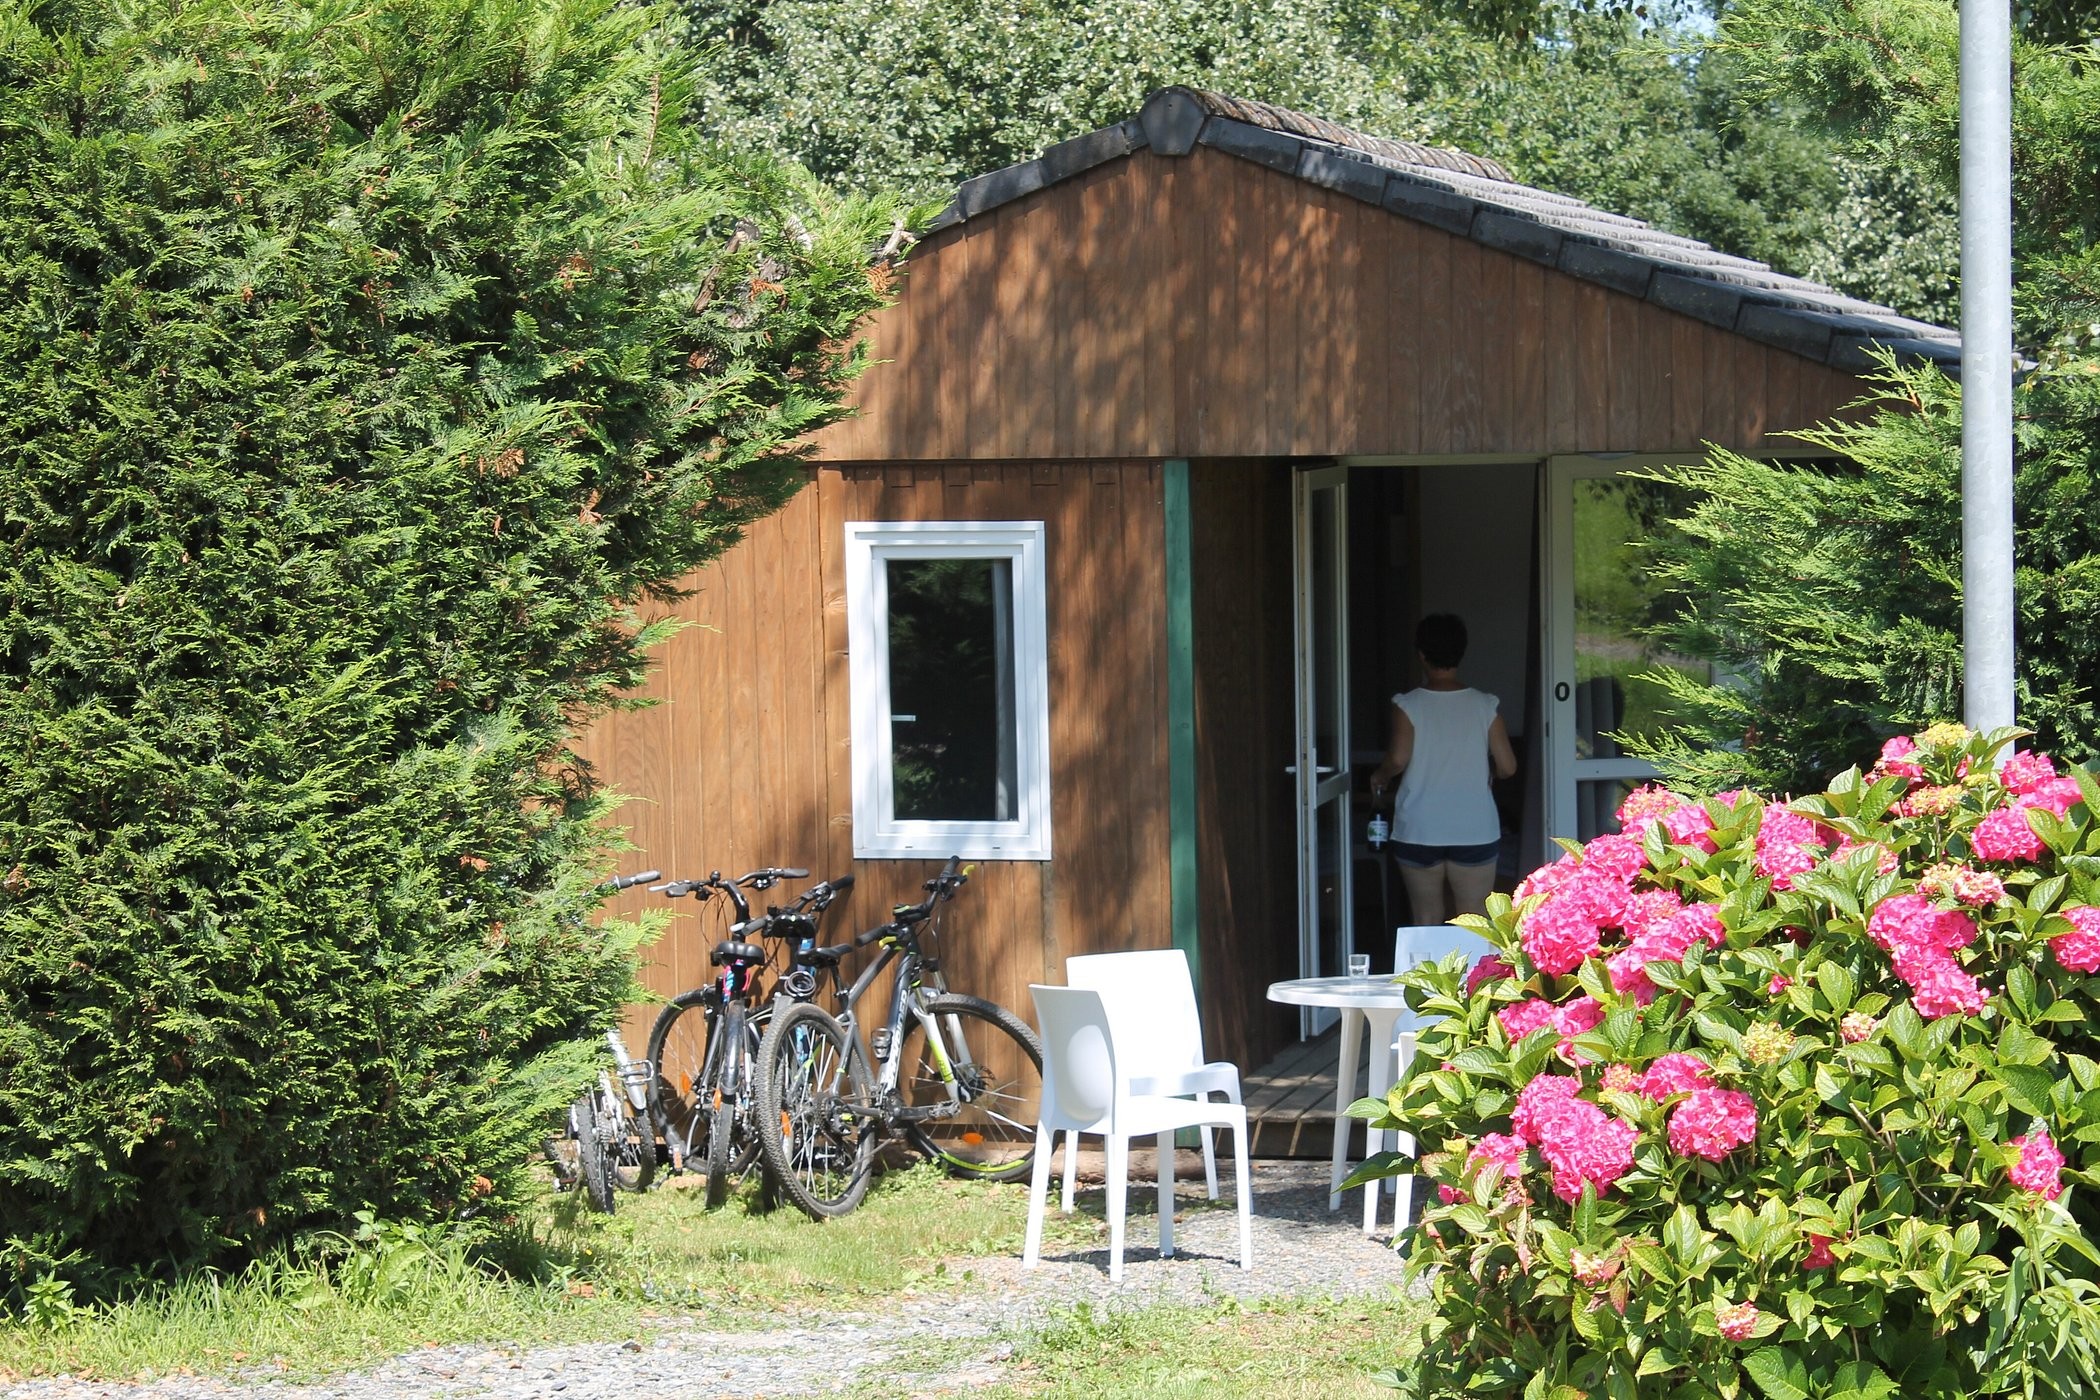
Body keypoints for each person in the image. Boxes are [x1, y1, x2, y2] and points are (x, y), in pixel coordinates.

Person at [1368, 613, 1518, 925]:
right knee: (1474, 920)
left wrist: (1379, 777)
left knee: (1426, 918)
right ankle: (1476, 977)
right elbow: (1508, 766)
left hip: (1420, 828)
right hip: (1474, 828)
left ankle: (1427, 976)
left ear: (1421, 654)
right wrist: (1489, 772)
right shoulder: (1485, 705)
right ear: (1460, 653)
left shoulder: (1408, 705)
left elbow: (1397, 759)